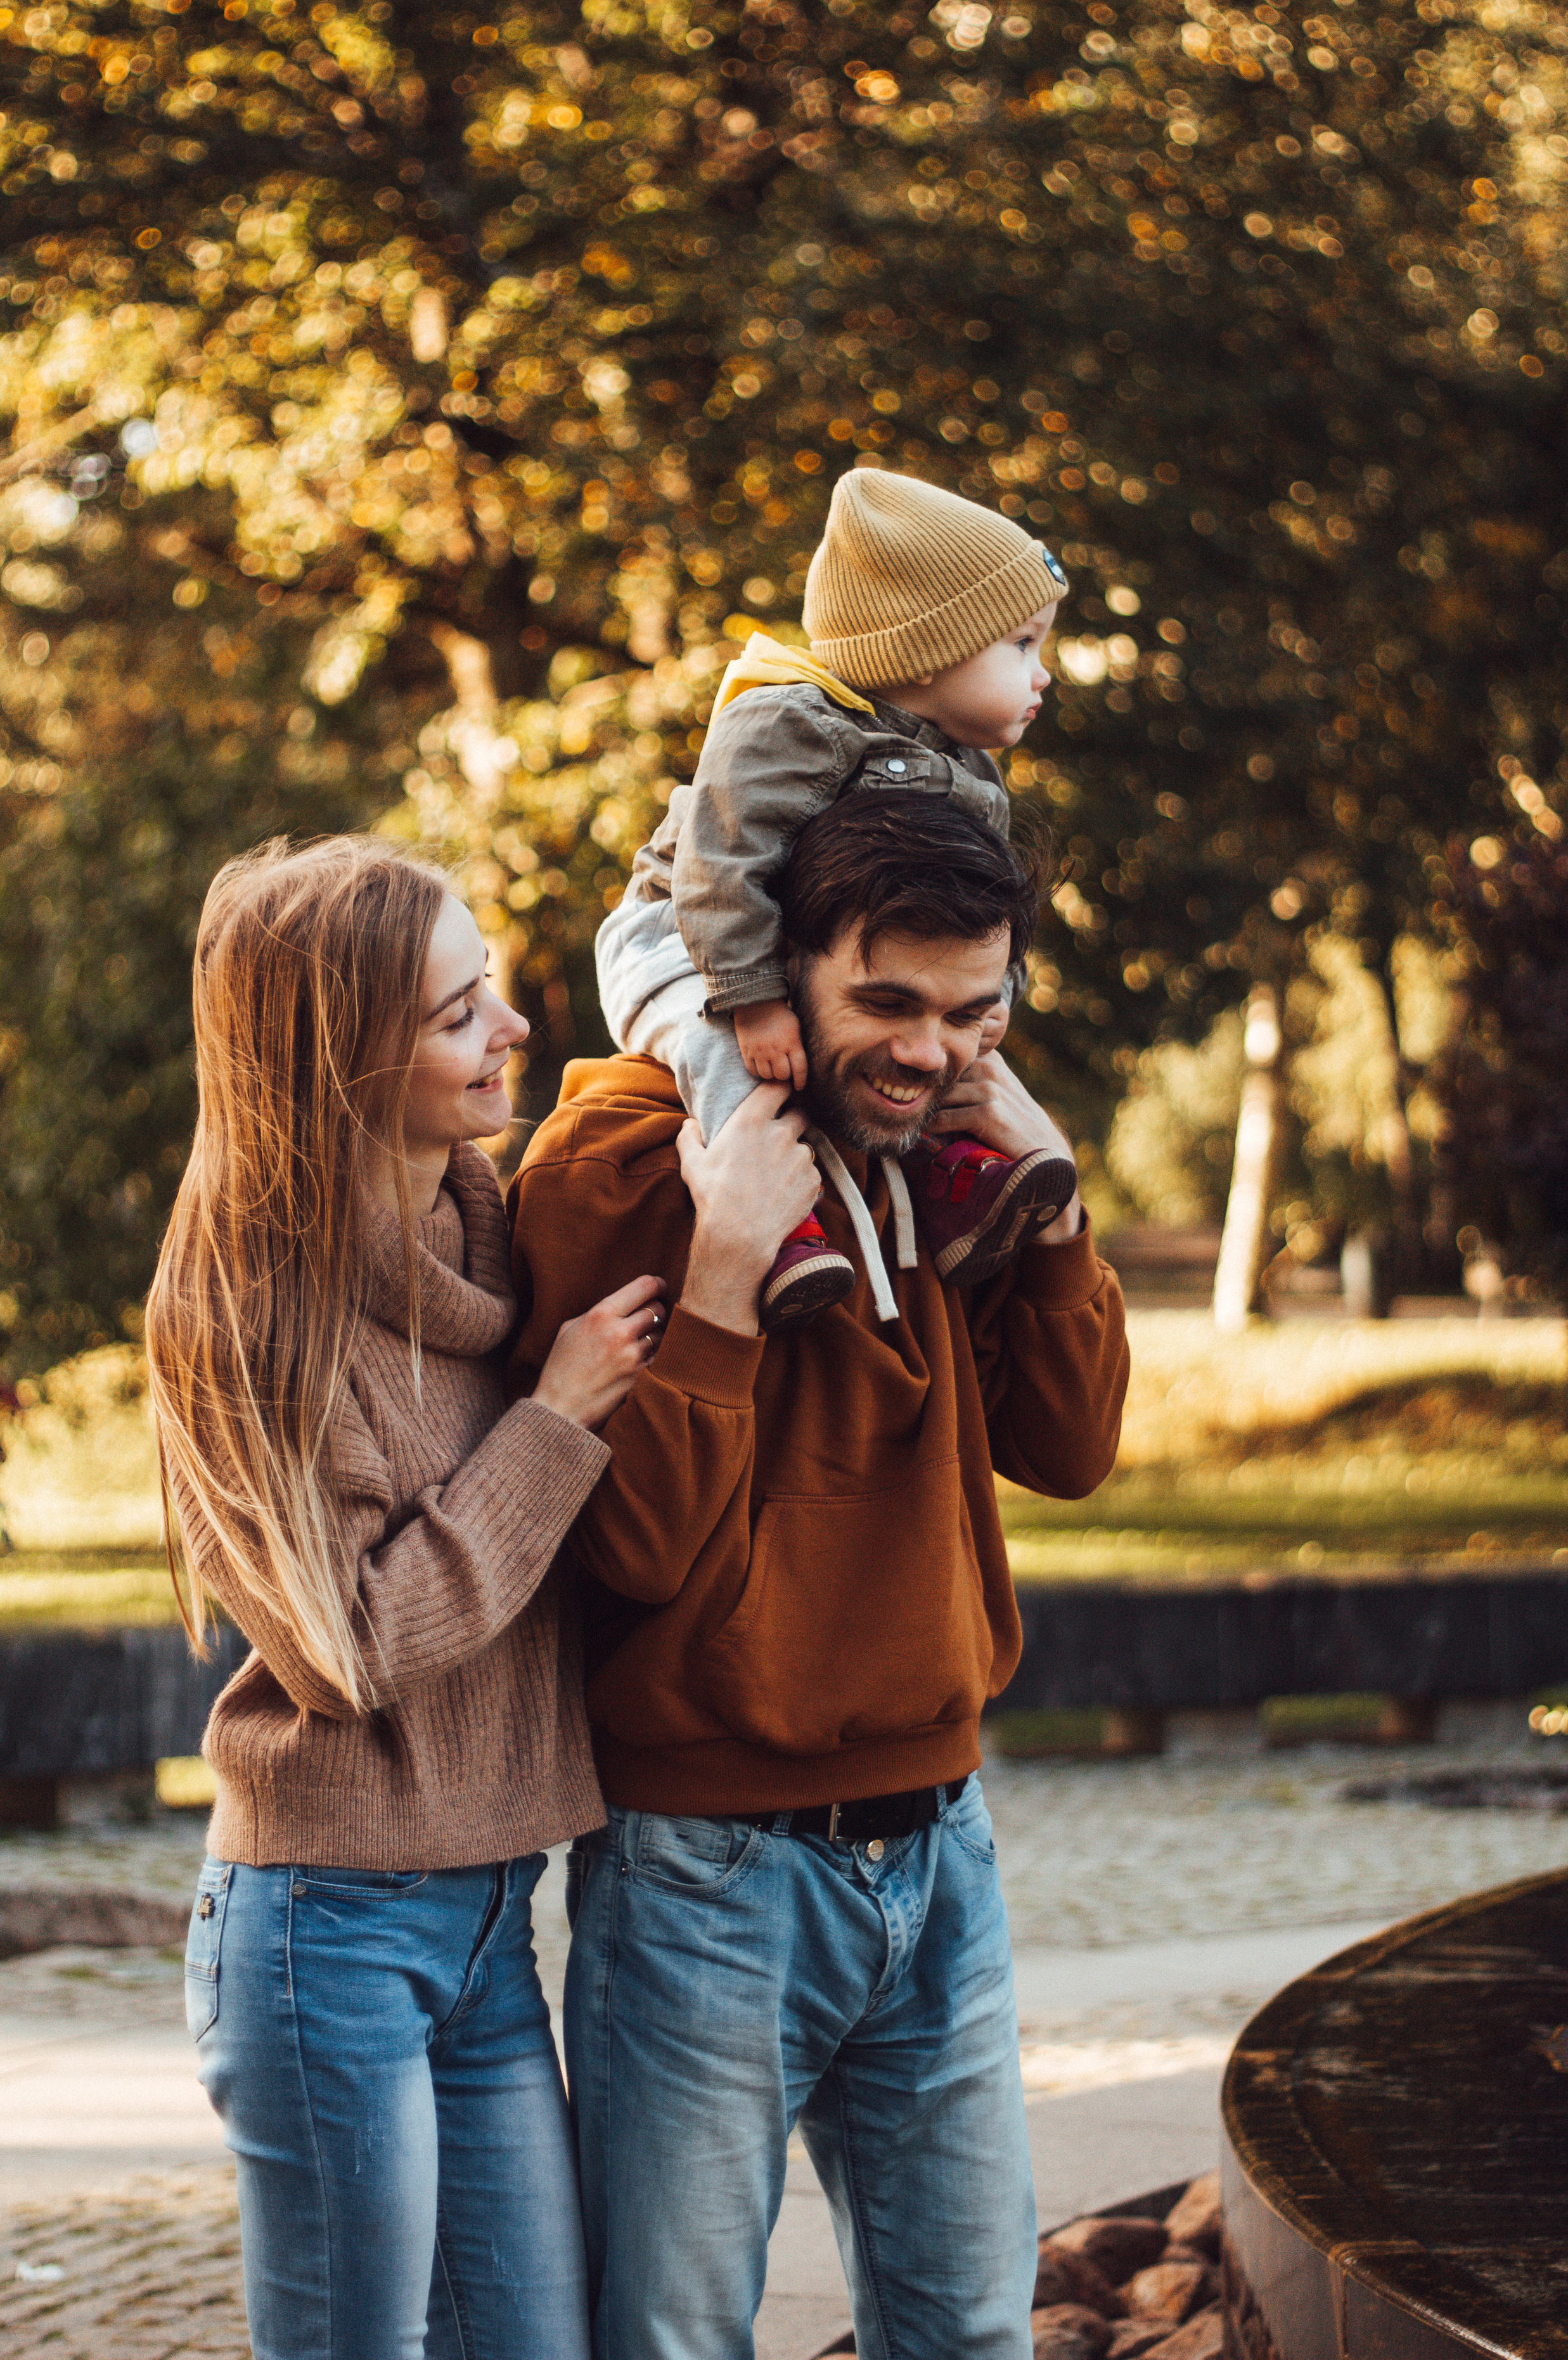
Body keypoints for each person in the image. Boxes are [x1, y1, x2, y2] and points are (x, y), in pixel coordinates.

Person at [508, 791, 1130, 2360]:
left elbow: (1067, 1447)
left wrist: (1052, 1217)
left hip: (941, 1853)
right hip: (705, 1872)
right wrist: (722, 1279)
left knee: (969, 2333)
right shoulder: (617, 1160)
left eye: (972, 1012)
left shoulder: (948, 1153)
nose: (929, 1052)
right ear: (773, 978)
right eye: (887, 1004)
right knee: (673, 2337)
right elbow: (626, 1547)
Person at [146, 835, 667, 2360]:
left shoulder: (494, 1227)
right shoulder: (243, 1308)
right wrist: (553, 1423)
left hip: (497, 1919)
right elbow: (349, 1646)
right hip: (329, 1939)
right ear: (344, 1060)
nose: (510, 1027)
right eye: (457, 1013)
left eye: (487, 987)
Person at [595, 465, 1079, 1329]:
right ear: (929, 646)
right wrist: (753, 1000)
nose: (1043, 675)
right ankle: (771, 1222)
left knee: (936, 1049)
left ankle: (958, 1181)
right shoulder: (790, 721)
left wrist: (995, 1003)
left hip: (791, 945)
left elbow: (978, 918)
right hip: (683, 933)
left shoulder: (973, 774)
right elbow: (719, 865)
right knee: (724, 1056)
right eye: (1022, 646)